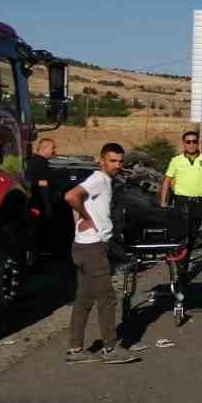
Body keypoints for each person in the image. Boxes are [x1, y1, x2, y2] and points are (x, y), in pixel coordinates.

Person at [63, 143, 140, 363]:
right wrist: (86, 218)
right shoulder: (98, 179)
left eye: (120, 161)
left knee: (84, 299)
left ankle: (75, 350)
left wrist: (79, 221)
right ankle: (110, 348)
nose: (117, 165)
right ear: (102, 160)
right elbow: (71, 197)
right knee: (107, 297)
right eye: (112, 161)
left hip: (85, 245)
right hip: (92, 248)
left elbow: (75, 201)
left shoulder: (104, 181)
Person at [160, 130, 202, 247]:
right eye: (188, 142)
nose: (191, 144)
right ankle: (181, 258)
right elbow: (167, 181)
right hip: (181, 200)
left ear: (198, 143)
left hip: (199, 202)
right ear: (183, 143)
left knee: (193, 231)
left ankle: (187, 251)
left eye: (194, 141)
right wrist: (163, 202)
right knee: (181, 231)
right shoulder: (176, 160)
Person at [27, 137, 61, 257]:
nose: (55, 151)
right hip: (38, 203)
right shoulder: (40, 163)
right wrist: (47, 205)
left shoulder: (34, 161)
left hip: (36, 202)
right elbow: (43, 184)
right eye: (53, 148)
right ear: (45, 148)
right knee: (38, 230)